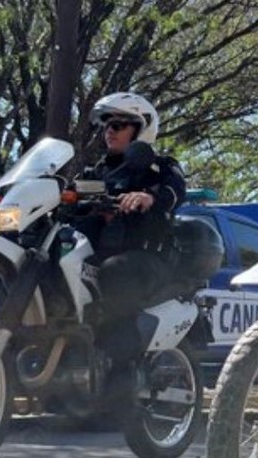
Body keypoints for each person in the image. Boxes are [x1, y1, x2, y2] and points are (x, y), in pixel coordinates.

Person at [76, 92, 186, 367]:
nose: (108, 131)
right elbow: (69, 193)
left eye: (118, 125)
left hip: (145, 257)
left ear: (140, 128)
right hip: (99, 252)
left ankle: (120, 376)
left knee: (116, 271)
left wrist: (150, 197)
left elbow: (174, 191)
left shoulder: (160, 166)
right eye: (106, 125)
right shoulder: (95, 172)